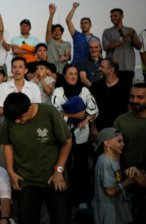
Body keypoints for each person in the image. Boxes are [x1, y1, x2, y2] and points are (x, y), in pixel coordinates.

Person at [0, 92, 73, 224]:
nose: (17, 122)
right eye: (14, 119)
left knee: (61, 219)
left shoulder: (49, 112)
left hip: (53, 178)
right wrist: (10, 171)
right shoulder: (12, 116)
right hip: (26, 179)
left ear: (30, 108)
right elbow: (7, 143)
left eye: (20, 118)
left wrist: (59, 170)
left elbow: (67, 141)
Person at [51, 65, 98, 209]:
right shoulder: (58, 91)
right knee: (64, 167)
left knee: (81, 168)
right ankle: (64, 198)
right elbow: (55, 111)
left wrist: (84, 120)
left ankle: (82, 198)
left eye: (75, 74)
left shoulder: (84, 90)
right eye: (70, 74)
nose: (73, 76)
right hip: (63, 135)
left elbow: (93, 109)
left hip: (81, 136)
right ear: (64, 75)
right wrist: (76, 115)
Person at [113, 83, 146, 224]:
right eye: (132, 97)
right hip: (127, 181)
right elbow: (113, 153)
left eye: (140, 97)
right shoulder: (121, 120)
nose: (135, 101)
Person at [92, 128, 133, 224]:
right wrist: (128, 181)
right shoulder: (105, 162)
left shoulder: (113, 159)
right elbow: (110, 191)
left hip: (116, 209)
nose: (123, 144)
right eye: (119, 141)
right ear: (107, 144)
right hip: (108, 213)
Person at [89, 58, 129, 140]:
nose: (99, 69)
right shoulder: (96, 86)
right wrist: (93, 127)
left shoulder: (125, 86)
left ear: (111, 70)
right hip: (100, 130)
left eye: (102, 67)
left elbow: (129, 109)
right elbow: (91, 108)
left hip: (119, 130)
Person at [102, 8, 142, 90]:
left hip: (128, 68)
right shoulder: (107, 32)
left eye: (115, 16)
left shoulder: (130, 30)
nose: (113, 18)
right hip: (112, 69)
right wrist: (122, 40)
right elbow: (106, 47)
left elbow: (139, 46)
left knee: (127, 94)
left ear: (122, 16)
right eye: (111, 17)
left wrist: (132, 37)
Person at [46, 4, 71, 75]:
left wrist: (65, 57)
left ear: (62, 33)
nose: (57, 32)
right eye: (55, 30)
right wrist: (51, 15)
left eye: (59, 30)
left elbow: (67, 54)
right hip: (51, 70)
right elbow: (48, 30)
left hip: (63, 69)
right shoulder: (50, 42)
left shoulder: (67, 43)